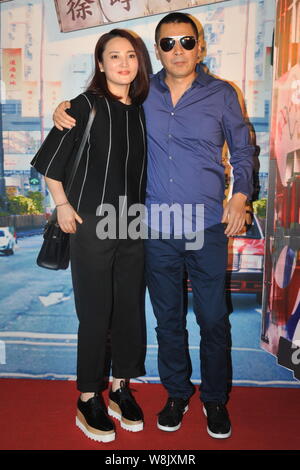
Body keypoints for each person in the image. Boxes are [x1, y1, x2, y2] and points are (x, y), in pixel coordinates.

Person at [53, 12, 254, 439]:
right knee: (166, 319)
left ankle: (215, 399)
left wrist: (240, 195)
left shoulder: (222, 94)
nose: (177, 50)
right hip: (155, 225)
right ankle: (177, 394)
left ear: (200, 46)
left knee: (214, 318)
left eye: (185, 41)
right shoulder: (143, 94)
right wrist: (64, 109)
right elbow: (99, 105)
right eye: (167, 43)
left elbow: (242, 150)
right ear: (157, 50)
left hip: (205, 225)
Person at [31, 29, 149, 443]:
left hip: (133, 220)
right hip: (91, 222)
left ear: (139, 62)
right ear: (100, 64)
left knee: (131, 309)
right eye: (113, 56)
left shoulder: (143, 108)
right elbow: (50, 163)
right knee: (96, 312)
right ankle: (87, 398)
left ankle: (120, 387)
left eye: (130, 55)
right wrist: (62, 204)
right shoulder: (83, 106)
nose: (122, 63)